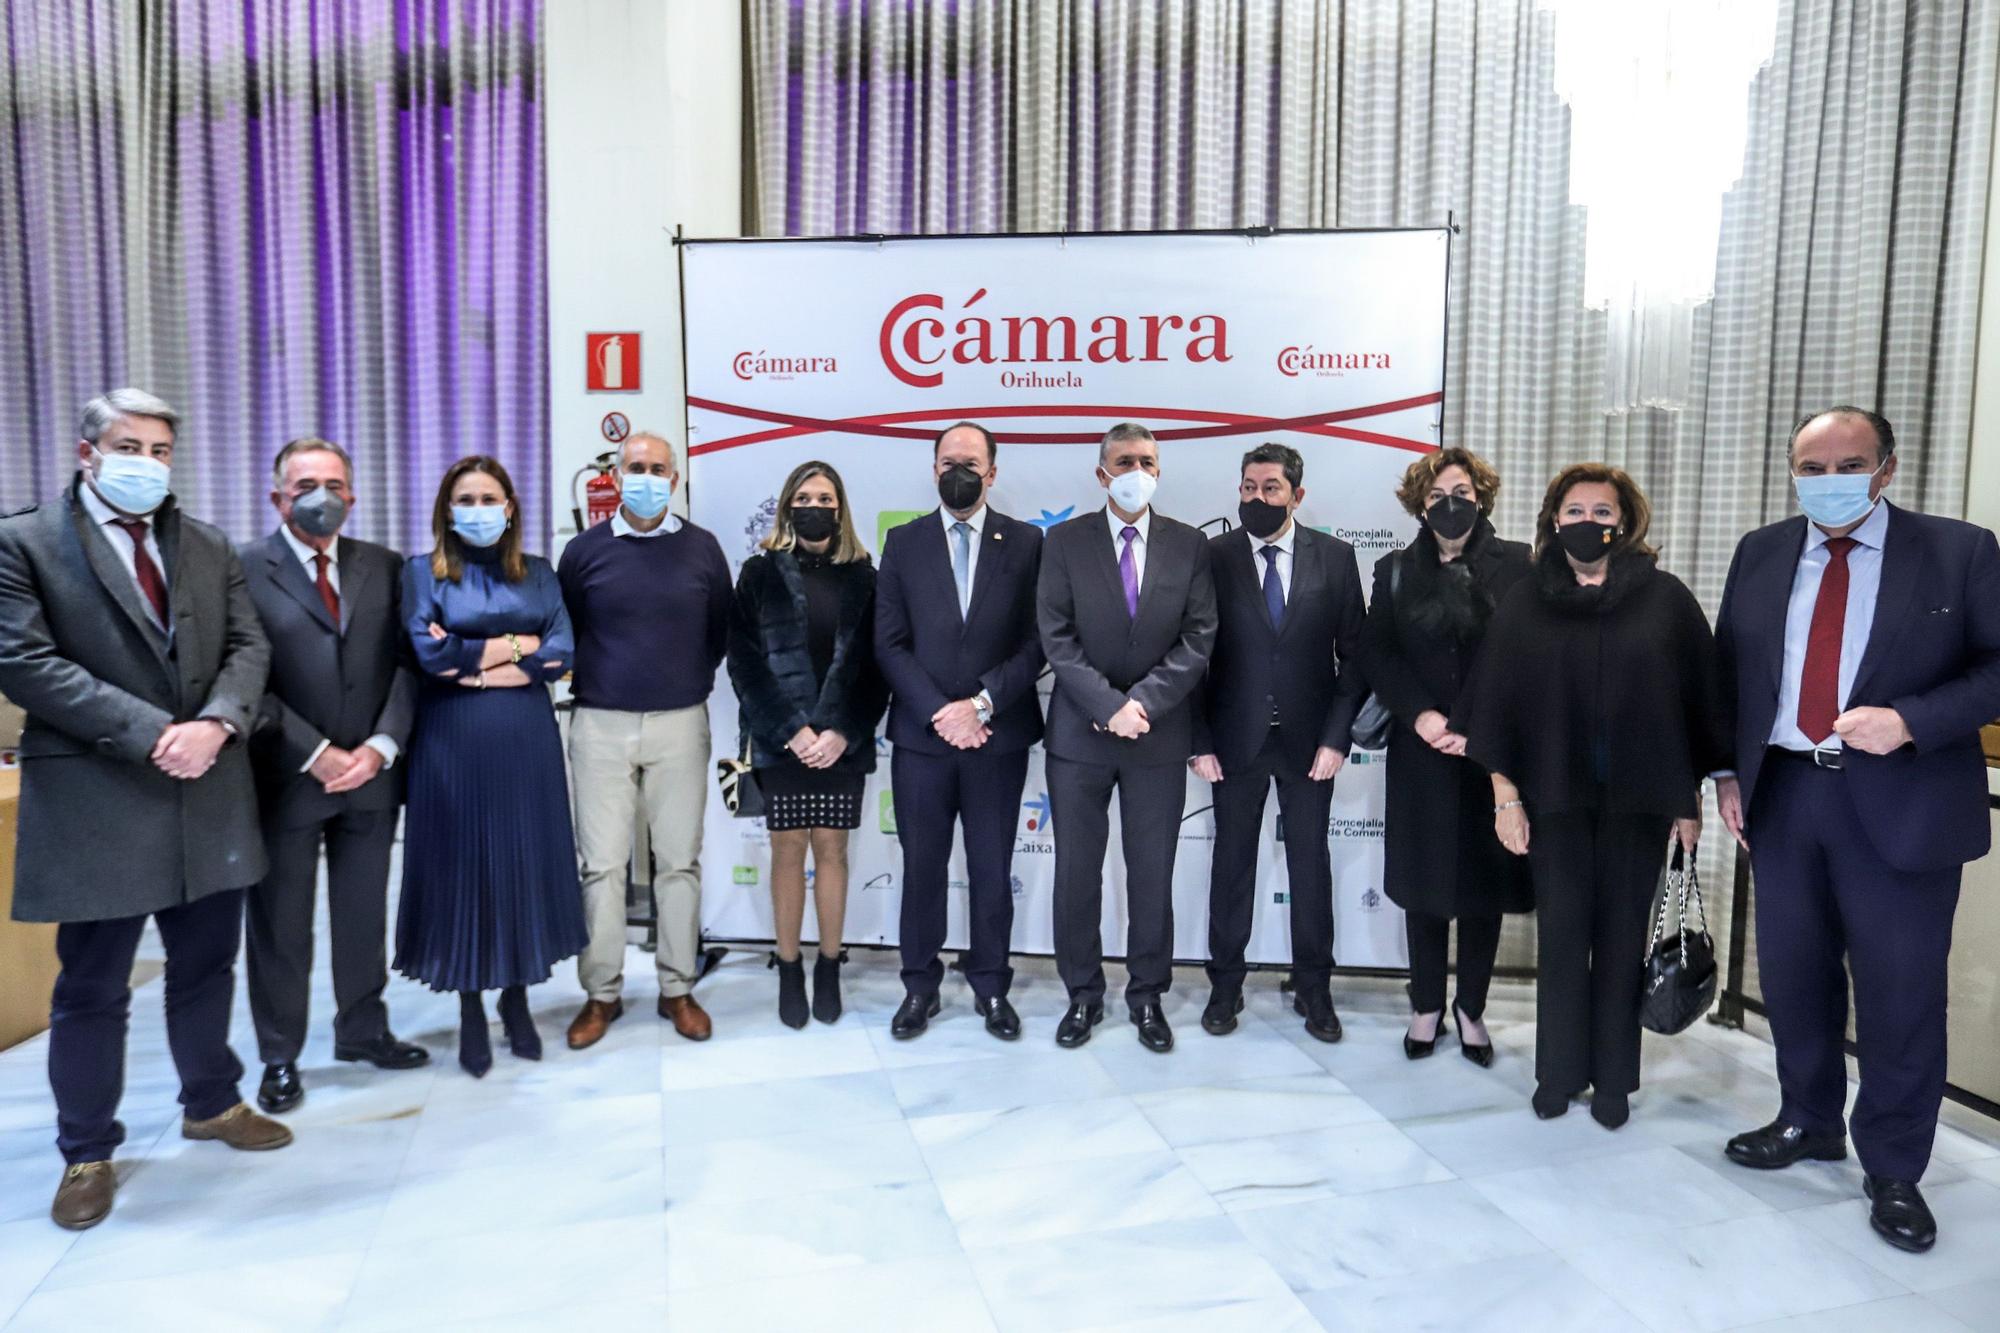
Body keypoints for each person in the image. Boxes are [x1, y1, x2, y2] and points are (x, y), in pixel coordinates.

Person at [0, 389, 290, 1233]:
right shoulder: (25, 543)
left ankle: (212, 1099)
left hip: (208, 788)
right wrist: (156, 732)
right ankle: (86, 1148)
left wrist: (217, 724)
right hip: (100, 793)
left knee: (205, 966)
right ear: (89, 451)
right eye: (132, 445)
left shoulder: (202, 544)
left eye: (162, 449)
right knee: (92, 986)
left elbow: (248, 645)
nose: (149, 463)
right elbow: (22, 660)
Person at [1714, 408, 2000, 1254]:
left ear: (1886, 468)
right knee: (1794, 977)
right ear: (1792, 470)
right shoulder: (1761, 551)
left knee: (1900, 994)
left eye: (1848, 462)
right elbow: (1734, 670)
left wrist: (1910, 718)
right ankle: (1807, 1118)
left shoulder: (1960, 550)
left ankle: (1896, 1166)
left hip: (1902, 801)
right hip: (1785, 796)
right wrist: (1729, 771)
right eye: (1811, 463)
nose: (1828, 476)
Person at [1459, 463, 1724, 1129]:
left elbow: (1697, 706)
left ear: (1624, 522)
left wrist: (1688, 804)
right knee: (1564, 935)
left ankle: (1613, 1079)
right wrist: (1505, 797)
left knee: (1620, 941)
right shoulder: (1525, 600)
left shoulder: (1665, 599)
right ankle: (1558, 1073)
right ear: (1553, 519)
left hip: (1641, 804)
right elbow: (1495, 707)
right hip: (1554, 803)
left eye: (1602, 512)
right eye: (1574, 510)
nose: (1588, 522)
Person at [239, 438, 426, 1115]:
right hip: (286, 774)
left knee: (362, 911)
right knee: (281, 925)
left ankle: (364, 1029)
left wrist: (380, 745)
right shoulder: (241, 569)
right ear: (277, 497)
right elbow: (237, 677)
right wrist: (313, 750)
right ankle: (279, 1054)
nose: (324, 495)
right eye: (307, 483)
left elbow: (408, 662)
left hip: (371, 775)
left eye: (336, 482)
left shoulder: (383, 565)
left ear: (354, 492)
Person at [395, 456, 587, 1077]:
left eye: (488, 497)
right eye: (465, 497)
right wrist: (513, 648)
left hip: (525, 741)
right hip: (450, 742)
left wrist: (473, 661)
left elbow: (561, 652)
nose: (477, 508)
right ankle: (471, 1006)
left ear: (510, 507)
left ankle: (518, 997)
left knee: (520, 863)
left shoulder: (537, 574)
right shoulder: (421, 573)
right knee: (463, 868)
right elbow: (430, 656)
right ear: (446, 510)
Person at [1038, 422, 1217, 1053]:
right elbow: (1056, 637)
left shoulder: (1190, 544)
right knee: (1077, 875)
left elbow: (1199, 639)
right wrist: (1107, 706)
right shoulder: (1063, 541)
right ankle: (1082, 996)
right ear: (1101, 472)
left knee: (1150, 876)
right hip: (1079, 739)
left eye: (1146, 460)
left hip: (1157, 737)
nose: (1135, 469)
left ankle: (1147, 998)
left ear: (1159, 471)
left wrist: (1139, 705)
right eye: (1123, 460)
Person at [1359, 448, 1533, 1066]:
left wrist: (1477, 726)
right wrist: (1423, 716)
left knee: (1484, 887)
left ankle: (1472, 1010)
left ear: (1480, 496)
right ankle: (1426, 1004)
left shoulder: (1518, 563)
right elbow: (1377, 652)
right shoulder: (1395, 569)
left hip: (1495, 754)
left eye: (1460, 491)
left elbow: (1525, 653)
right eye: (1436, 496)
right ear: (1419, 504)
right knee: (1425, 885)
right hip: (1422, 749)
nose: (1449, 504)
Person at [557, 432, 732, 1050]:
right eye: (637, 467)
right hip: (599, 724)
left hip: (680, 723)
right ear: (618, 475)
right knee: (601, 867)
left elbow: (719, 633)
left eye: (659, 469)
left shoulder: (703, 550)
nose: (648, 477)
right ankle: (601, 994)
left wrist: (680, 679)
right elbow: (567, 630)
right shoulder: (583, 552)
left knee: (678, 862)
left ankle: (677, 987)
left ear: (676, 480)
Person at [1190, 442, 1365, 1044]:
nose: (1256, 498)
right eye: (1247, 488)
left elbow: (1354, 659)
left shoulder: (1336, 559)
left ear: (1297, 494)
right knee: (1231, 867)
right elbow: (1192, 656)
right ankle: (1225, 984)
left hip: (1310, 746)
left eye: (1269, 488)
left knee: (1310, 869)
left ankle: (1313, 987)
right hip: (1233, 745)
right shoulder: (1212, 557)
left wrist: (1338, 738)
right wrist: (1199, 739)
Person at [875, 422, 1045, 1041]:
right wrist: (942, 713)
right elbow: (889, 643)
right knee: (922, 865)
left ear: (993, 472)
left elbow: (1039, 643)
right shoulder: (904, 542)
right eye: (948, 461)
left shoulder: (1027, 544)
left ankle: (991, 986)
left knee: (992, 866)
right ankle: (919, 987)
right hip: (923, 739)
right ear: (933, 469)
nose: (959, 472)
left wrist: (981, 704)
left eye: (970, 463)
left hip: (997, 737)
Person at [726, 460, 887, 1029]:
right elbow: (743, 662)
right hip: (781, 741)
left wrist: (841, 730)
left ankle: (828, 965)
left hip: (843, 742)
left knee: (833, 852)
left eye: (824, 497)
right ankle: (789, 965)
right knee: (789, 849)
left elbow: (876, 666)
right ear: (787, 505)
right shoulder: (758, 572)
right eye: (804, 496)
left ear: (839, 508)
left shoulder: (866, 576)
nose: (814, 505)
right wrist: (791, 730)